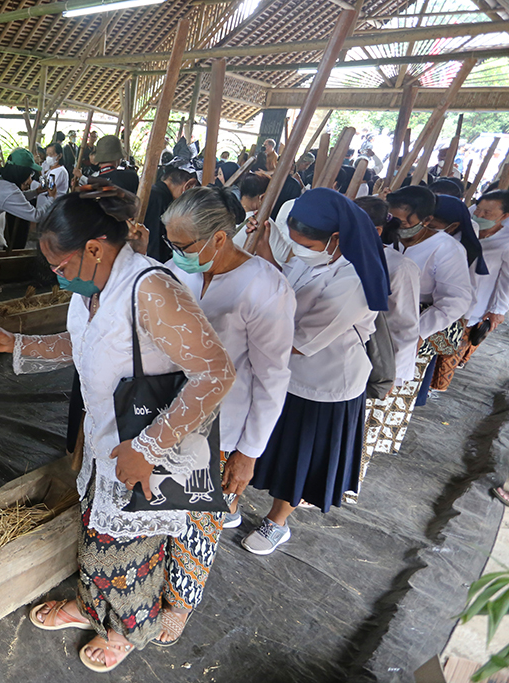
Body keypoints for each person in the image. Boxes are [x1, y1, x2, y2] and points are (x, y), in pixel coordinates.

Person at [0, 186, 234, 671]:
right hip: (107, 444)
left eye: (60, 267)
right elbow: (81, 345)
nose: (58, 277)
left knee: (129, 547)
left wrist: (149, 446)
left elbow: (216, 372)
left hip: (148, 450)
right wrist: (17, 343)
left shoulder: (150, 289)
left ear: (95, 248)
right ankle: (92, 606)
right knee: (99, 535)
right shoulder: (96, 289)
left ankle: (124, 631)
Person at [160, 187, 295, 640]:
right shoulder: (175, 271)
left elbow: (273, 376)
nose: (174, 253)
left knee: (200, 516)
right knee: (157, 500)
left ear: (219, 239)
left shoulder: (264, 287)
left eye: (183, 246)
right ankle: (149, 579)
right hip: (164, 410)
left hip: (223, 426)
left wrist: (249, 450)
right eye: (170, 244)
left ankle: (180, 602)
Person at [245, 188, 389, 554]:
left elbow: (298, 339)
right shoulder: (312, 253)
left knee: (300, 457)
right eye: (293, 242)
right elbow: (286, 290)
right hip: (284, 372)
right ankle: (233, 503)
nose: (298, 251)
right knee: (267, 444)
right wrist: (267, 261)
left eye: (306, 243)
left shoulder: (354, 279)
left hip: (325, 383)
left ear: (335, 239)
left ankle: (277, 521)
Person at [347, 196, 421, 503]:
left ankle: (346, 486)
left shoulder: (399, 267)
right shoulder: (335, 254)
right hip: (343, 357)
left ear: (376, 230)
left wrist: (392, 375)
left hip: (376, 360)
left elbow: (405, 327)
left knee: (361, 429)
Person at [387, 186, 472, 406]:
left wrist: (420, 332)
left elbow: (455, 299)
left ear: (426, 220)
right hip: (381, 315)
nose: (396, 227)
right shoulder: (387, 236)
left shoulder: (446, 249)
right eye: (391, 219)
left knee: (394, 392)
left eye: (403, 223)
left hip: (418, 321)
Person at [427, 194, 489, 392]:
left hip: (443, 315)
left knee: (427, 362)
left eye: (432, 223)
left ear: (453, 226)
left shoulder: (466, 249)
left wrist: (464, 320)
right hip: (425, 313)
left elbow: (469, 289)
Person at [449, 191, 509, 370]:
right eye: (478, 210)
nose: (480, 215)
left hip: (475, 305)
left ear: (504, 216)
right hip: (447, 296)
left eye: (487, 213)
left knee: (451, 352)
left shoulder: (506, 242)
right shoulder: (465, 227)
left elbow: (507, 280)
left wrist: (498, 309)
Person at [37, 142, 70, 213]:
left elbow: (47, 188)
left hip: (53, 206)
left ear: (59, 156)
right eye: (47, 155)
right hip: (46, 205)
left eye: (51, 154)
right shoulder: (51, 170)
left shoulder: (60, 171)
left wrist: (32, 183)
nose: (48, 157)